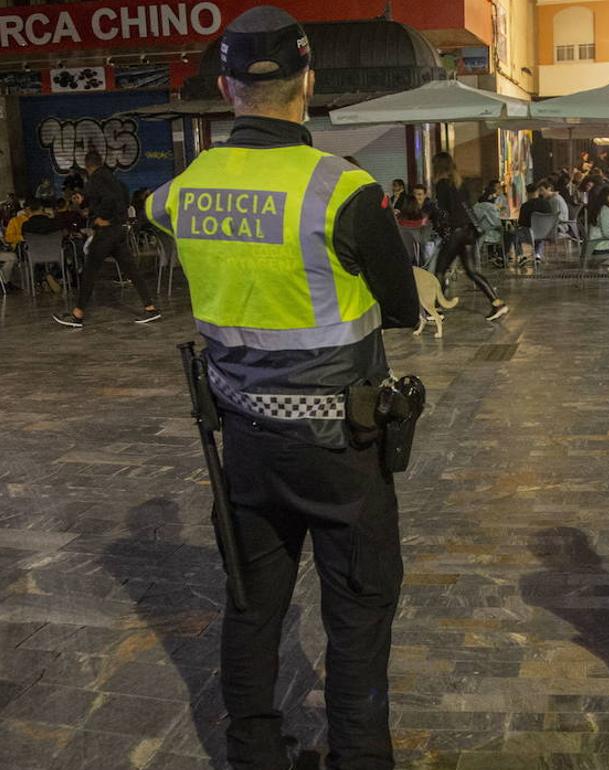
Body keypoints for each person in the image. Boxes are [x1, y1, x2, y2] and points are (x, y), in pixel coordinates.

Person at [143, 8, 424, 769]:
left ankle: (254, 754)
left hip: (244, 446)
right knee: (360, 610)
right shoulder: (343, 188)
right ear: (309, 83)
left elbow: (154, 210)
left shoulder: (184, 191)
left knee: (251, 605)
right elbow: (403, 306)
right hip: (341, 446)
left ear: (228, 86)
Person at [54, 150, 161, 327]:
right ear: (101, 162)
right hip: (119, 232)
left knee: (89, 271)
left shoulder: (95, 179)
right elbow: (119, 198)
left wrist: (103, 218)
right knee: (132, 270)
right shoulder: (114, 180)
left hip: (106, 233)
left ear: (86, 165)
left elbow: (106, 199)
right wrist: (85, 200)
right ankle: (150, 308)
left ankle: (77, 314)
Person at [429, 152, 508, 319]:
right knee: (472, 271)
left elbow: (443, 212)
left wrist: (435, 222)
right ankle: (497, 303)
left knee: (440, 270)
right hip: (469, 231)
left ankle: (436, 309)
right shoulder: (460, 183)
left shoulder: (442, 184)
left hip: (454, 232)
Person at [586, 185, 609, 274]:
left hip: (593, 244)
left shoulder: (600, 207)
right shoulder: (606, 210)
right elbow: (607, 233)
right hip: (600, 245)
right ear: (605, 197)